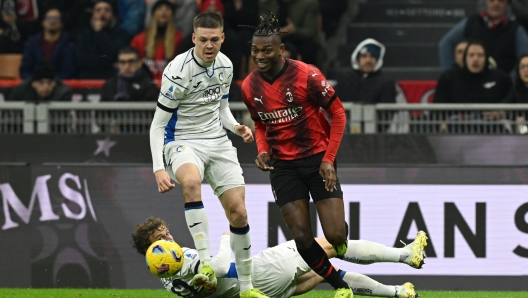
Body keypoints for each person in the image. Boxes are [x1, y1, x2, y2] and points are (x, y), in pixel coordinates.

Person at [149, 12, 267, 298]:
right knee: (191, 183)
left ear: (222, 38)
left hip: (217, 140)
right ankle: (205, 265)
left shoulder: (226, 65)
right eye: (203, 40)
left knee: (238, 212)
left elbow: (221, 107)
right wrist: (159, 168)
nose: (209, 45)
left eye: (214, 40)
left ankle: (248, 288)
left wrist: (236, 127)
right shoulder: (178, 71)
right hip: (182, 141)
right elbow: (157, 125)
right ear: (193, 39)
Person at [240, 12, 353, 298]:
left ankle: (340, 235)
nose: (260, 55)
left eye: (267, 50)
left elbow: (338, 114)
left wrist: (329, 159)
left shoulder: (307, 74)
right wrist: (262, 149)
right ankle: (340, 286)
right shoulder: (249, 86)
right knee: (302, 237)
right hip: (283, 166)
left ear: (280, 49)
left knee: (336, 236)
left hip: (317, 158)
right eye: (255, 50)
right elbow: (260, 122)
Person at [131, 217, 426, 298]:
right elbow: (220, 266)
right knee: (333, 245)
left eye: (167, 233)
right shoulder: (183, 257)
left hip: (257, 292)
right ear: (151, 249)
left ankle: (398, 292)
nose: (169, 240)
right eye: (161, 239)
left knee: (326, 272)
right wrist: (225, 240)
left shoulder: (167, 280)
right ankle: (405, 255)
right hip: (260, 272)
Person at [439, 0, 528, 74]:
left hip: (502, 88)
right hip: (471, 83)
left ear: (507, 5)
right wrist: (449, 75)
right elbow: (445, 44)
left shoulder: (516, 29)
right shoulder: (471, 22)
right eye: (492, 0)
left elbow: (525, 57)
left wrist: (512, 79)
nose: (496, 4)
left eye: (501, 1)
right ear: (486, 2)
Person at [435, 41, 512, 104]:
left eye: (480, 55)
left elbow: (511, 104)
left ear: (486, 58)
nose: (475, 59)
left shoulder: (501, 78)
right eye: (471, 55)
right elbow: (437, 110)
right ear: (465, 58)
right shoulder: (448, 78)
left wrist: (499, 112)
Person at [75, 0, 130, 79]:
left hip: (112, 78)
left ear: (113, 15)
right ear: (93, 15)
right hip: (87, 78)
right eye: (98, 10)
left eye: (107, 10)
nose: (102, 13)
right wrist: (107, 63)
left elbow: (112, 54)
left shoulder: (121, 34)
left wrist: (100, 33)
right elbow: (81, 60)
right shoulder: (83, 34)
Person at [131, 0, 183, 82]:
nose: (163, 12)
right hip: (145, 85)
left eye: (167, 9)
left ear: (172, 15)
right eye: (159, 8)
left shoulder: (178, 38)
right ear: (153, 14)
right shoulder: (139, 39)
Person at [332, 38, 396, 104]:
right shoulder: (345, 79)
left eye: (372, 56)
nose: (368, 60)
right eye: (364, 56)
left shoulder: (386, 83)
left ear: (378, 60)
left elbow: (386, 112)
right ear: (358, 58)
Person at [19, 7, 75, 80]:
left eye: (56, 19)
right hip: (34, 85)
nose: (52, 22)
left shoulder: (68, 45)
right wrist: (35, 83)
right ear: (43, 22)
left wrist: (50, 83)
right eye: (49, 18)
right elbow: (25, 69)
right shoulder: (32, 43)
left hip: (59, 86)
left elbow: (68, 71)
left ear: (62, 24)